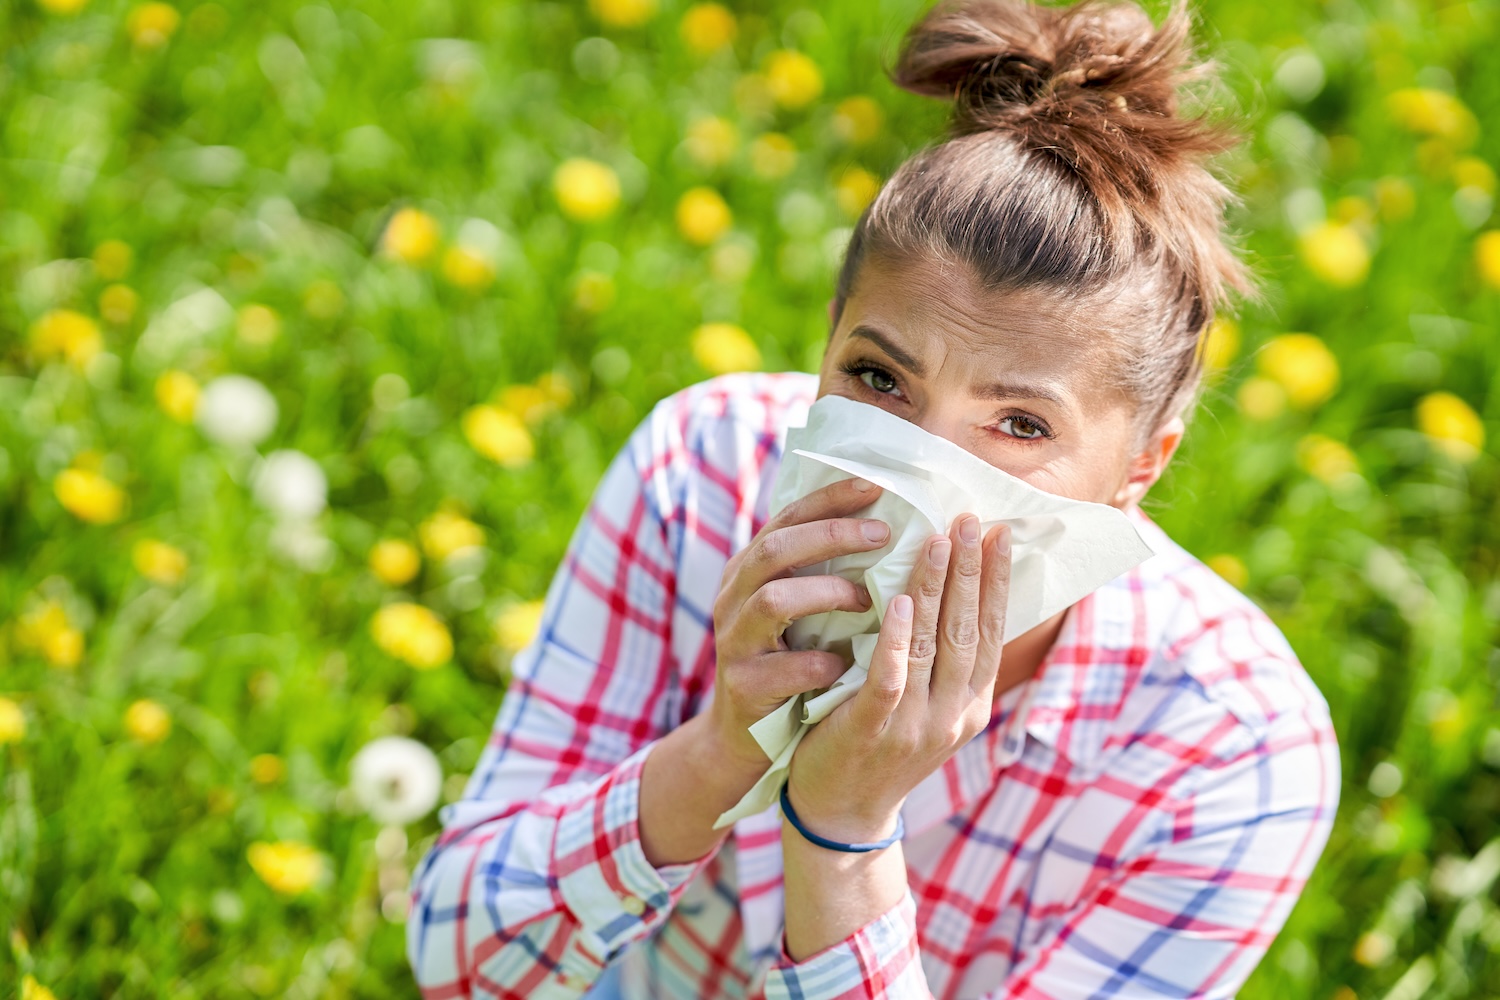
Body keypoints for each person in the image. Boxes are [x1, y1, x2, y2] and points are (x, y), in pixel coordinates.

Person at [405, 0, 1341, 996]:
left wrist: (841, 831)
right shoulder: (705, 473)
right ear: (827, 338)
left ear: (1142, 466)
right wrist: (723, 748)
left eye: (1020, 424)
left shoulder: (1231, 752)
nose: (919, 465)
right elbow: (457, 963)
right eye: (880, 380)